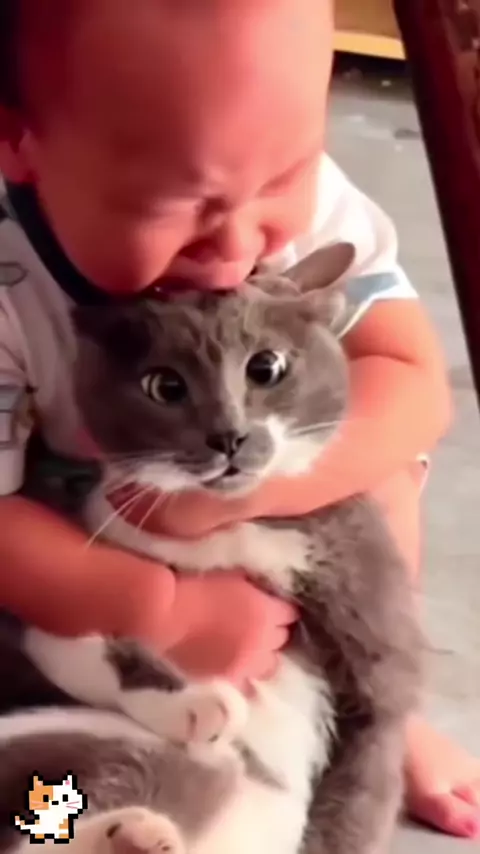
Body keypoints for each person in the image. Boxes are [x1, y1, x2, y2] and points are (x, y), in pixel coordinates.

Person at [0, 0, 477, 839]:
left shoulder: (307, 206)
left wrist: (248, 493)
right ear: (18, 143)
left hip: (282, 535)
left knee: (382, 470)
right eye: (180, 203)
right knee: (60, 763)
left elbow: (411, 379)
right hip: (73, 570)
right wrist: (156, 609)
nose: (236, 245)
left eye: (283, 179)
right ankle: (49, 830)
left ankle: (374, 717)